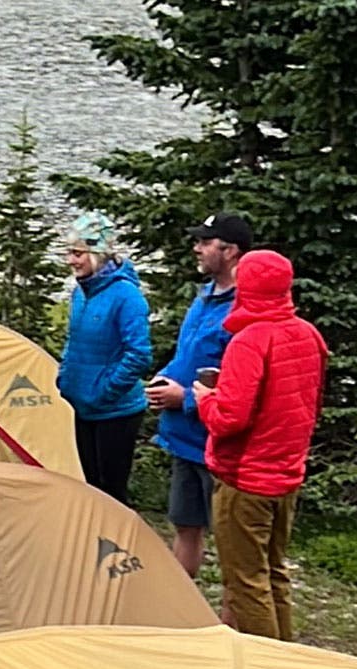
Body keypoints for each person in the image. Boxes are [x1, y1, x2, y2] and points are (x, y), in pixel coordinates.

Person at [193, 248, 328, 643]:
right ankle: (287, 655)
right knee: (273, 571)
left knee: (245, 581)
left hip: (245, 479)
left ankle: (267, 665)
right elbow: (311, 402)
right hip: (286, 474)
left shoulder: (250, 341)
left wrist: (204, 398)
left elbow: (229, 418)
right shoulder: (308, 335)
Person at [145, 212, 251, 577]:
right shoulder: (204, 297)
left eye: (205, 242)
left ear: (230, 251)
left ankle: (229, 628)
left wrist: (185, 399)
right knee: (185, 525)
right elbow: (188, 357)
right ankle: (182, 615)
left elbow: (243, 385)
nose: (197, 248)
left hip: (218, 445)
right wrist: (165, 378)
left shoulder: (245, 310)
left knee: (229, 540)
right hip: (184, 437)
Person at [54, 212, 155, 503]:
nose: (71, 261)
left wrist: (105, 391)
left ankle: (119, 545)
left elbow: (138, 355)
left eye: (77, 254)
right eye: (69, 253)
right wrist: (66, 378)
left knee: (111, 493)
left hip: (116, 411)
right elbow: (73, 340)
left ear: (98, 254)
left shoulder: (127, 296)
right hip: (82, 405)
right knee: (91, 486)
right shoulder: (81, 292)